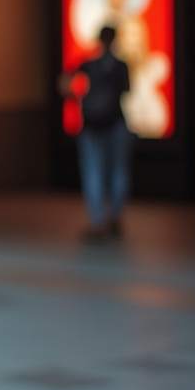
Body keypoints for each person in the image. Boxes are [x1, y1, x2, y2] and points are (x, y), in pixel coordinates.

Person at [60, 26, 132, 242]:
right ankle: (115, 218)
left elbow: (64, 81)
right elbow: (127, 91)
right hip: (116, 122)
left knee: (94, 171)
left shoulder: (89, 64)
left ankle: (97, 221)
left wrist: (77, 99)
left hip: (92, 125)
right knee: (118, 170)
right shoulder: (121, 65)